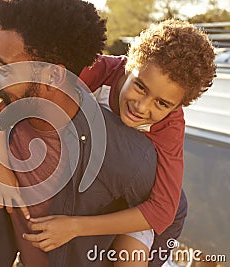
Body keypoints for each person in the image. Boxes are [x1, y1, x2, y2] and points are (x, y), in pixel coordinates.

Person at [0, 0, 187, 266]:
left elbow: (168, 211)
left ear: (53, 76)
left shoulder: (134, 156)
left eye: (3, 68)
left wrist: (77, 227)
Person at [22, 19, 216, 266]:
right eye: (140, 86)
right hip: (88, 186)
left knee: (130, 257)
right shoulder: (98, 71)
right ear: (130, 65)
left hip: (133, 207)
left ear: (178, 106)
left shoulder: (170, 125)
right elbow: (27, 92)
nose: (142, 107)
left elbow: (163, 209)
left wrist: (74, 227)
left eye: (162, 104)